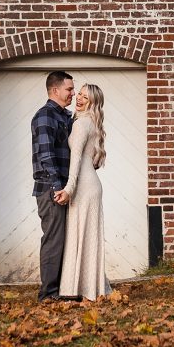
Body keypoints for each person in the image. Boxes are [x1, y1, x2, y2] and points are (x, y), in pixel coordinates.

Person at [58, 83, 113, 300]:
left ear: (93, 103)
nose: (79, 99)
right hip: (91, 184)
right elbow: (94, 160)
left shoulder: (82, 125)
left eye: (85, 98)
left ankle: (76, 289)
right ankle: (88, 287)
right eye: (79, 94)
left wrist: (69, 188)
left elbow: (77, 159)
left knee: (80, 236)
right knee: (85, 237)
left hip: (83, 186)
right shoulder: (91, 123)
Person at [32, 70, 74, 302]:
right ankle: (48, 293)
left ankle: (65, 288)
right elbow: (46, 156)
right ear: (55, 90)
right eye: (69, 89)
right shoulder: (45, 116)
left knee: (67, 240)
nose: (73, 93)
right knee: (54, 240)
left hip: (66, 188)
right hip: (51, 189)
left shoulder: (66, 117)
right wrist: (59, 187)